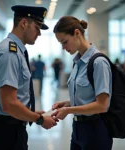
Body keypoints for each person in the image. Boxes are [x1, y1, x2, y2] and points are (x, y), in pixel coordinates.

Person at [0, 5, 57, 150]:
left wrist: (29, 113)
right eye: (37, 27)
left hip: (11, 127)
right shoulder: (9, 53)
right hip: (6, 132)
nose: (39, 34)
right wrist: (39, 119)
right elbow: (9, 104)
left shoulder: (16, 51)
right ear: (24, 23)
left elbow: (14, 99)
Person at [51, 16, 113, 150]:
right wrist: (67, 103)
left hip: (95, 130)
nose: (63, 47)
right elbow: (88, 97)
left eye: (65, 42)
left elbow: (102, 105)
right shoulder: (77, 63)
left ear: (77, 33)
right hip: (78, 129)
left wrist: (69, 110)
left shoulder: (98, 63)